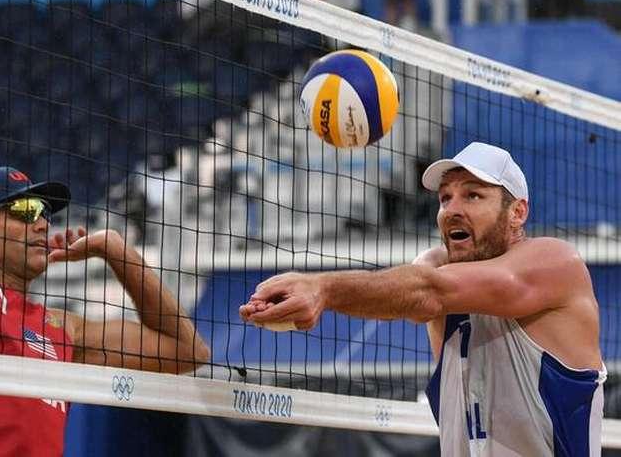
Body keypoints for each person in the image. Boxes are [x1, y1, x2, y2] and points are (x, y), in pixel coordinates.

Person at [0, 8, 210, 456]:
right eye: (23, 210)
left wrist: (115, 249)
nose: (40, 221)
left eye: (44, 211)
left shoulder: (61, 329)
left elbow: (186, 353)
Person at [240, 141, 605, 456]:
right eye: (445, 197)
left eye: (473, 194)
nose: (452, 209)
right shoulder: (436, 273)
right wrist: (306, 298)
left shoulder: (557, 263)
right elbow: (406, 294)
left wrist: (323, 288)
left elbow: (425, 292)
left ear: (517, 212)